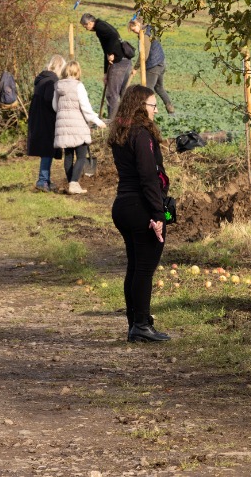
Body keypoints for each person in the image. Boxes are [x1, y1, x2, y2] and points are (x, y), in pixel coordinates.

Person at [108, 85, 171, 343]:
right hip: (140, 208)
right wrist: (158, 214)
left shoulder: (122, 133)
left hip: (123, 206)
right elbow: (148, 177)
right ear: (140, 106)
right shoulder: (141, 134)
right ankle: (142, 325)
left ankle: (135, 323)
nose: (156, 110)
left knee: (135, 268)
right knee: (144, 269)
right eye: (152, 105)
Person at [53, 61, 106, 194]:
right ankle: (74, 183)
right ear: (77, 72)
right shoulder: (78, 86)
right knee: (82, 156)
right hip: (78, 126)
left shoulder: (58, 86)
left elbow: (55, 106)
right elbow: (86, 108)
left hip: (63, 127)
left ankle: (72, 183)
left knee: (69, 156)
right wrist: (98, 121)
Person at [26, 55, 66, 192]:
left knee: (46, 150)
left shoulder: (42, 79)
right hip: (47, 120)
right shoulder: (51, 82)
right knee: (47, 150)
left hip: (39, 119)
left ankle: (46, 179)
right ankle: (42, 181)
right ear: (60, 67)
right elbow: (51, 101)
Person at [80, 13, 131, 119]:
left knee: (111, 94)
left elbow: (113, 36)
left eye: (85, 26)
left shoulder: (100, 27)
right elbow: (106, 52)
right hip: (125, 61)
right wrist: (105, 72)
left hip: (119, 62)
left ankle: (112, 122)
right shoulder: (102, 25)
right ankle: (126, 119)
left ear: (90, 22)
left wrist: (113, 53)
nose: (86, 29)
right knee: (122, 93)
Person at [129, 18, 175, 114]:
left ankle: (152, 109)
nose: (134, 32)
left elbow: (144, 55)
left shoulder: (145, 35)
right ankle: (170, 108)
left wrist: (135, 68)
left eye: (133, 29)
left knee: (147, 89)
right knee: (159, 87)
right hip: (161, 62)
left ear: (138, 24)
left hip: (153, 65)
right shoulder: (150, 30)